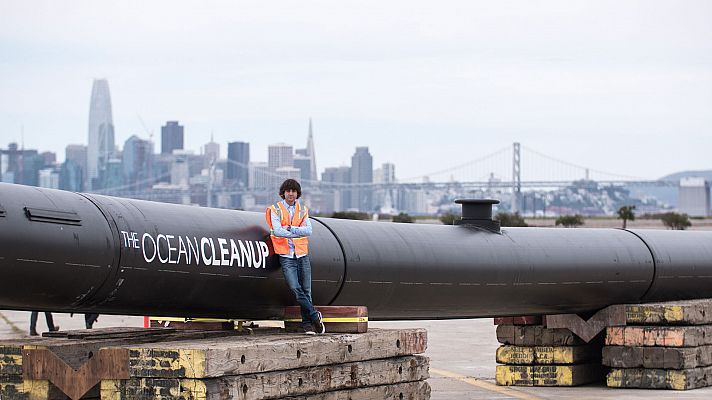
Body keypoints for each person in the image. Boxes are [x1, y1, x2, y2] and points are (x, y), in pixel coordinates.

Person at [265, 179, 325, 335]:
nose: (291, 194)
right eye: (288, 191)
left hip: (302, 254)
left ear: (297, 193)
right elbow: (277, 230)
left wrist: (290, 229)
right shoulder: (274, 209)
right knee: (295, 288)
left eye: (293, 191)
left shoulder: (302, 210)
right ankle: (314, 315)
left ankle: (308, 325)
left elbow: (309, 231)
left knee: (306, 290)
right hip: (286, 255)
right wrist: (298, 232)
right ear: (283, 193)